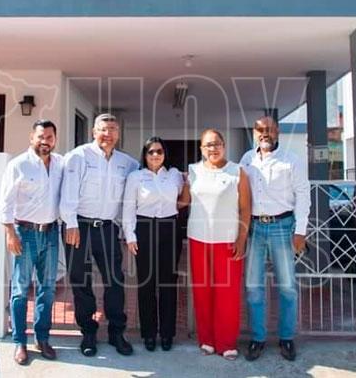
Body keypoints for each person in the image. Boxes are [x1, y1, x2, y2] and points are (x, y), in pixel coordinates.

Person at [60, 113, 139, 357]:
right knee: (81, 281)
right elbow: (68, 192)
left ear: (118, 133)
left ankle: (117, 332)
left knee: (114, 281)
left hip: (107, 229)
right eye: (103, 129)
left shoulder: (128, 163)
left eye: (113, 129)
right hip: (78, 227)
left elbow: (138, 188)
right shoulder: (78, 156)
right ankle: (88, 332)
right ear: (93, 132)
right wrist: (70, 223)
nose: (108, 134)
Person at [239, 116, 310, 361]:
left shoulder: (292, 161)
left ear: (277, 131)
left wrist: (300, 231)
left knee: (287, 286)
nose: (264, 133)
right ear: (254, 132)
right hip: (255, 228)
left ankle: (286, 337)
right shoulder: (247, 160)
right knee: (253, 287)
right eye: (260, 129)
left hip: (283, 226)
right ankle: (258, 338)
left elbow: (303, 194)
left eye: (269, 129)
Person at [0, 119, 63, 366]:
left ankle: (42, 338)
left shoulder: (60, 164)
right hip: (24, 233)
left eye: (49, 137)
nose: (45, 141)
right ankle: (19, 342)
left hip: (51, 232)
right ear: (31, 138)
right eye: (40, 137)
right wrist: (10, 233)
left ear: (55, 139)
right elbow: (5, 202)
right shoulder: (19, 165)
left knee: (48, 288)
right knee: (20, 289)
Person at [187, 129, 251, 361]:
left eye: (216, 144)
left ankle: (227, 343)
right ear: (201, 149)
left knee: (228, 294)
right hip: (198, 239)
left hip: (227, 240)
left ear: (224, 145)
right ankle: (207, 340)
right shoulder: (193, 171)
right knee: (202, 292)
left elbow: (246, 208)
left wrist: (241, 238)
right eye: (208, 145)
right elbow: (182, 200)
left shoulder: (237, 171)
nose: (212, 148)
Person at [122, 136, 191, 351]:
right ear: (145, 155)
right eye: (150, 151)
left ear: (165, 154)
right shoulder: (136, 177)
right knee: (147, 284)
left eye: (159, 151)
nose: (155, 155)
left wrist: (189, 180)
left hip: (170, 229)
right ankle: (149, 334)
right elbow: (128, 208)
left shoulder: (174, 175)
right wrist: (130, 236)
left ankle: (167, 333)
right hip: (144, 229)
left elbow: (183, 199)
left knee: (168, 283)